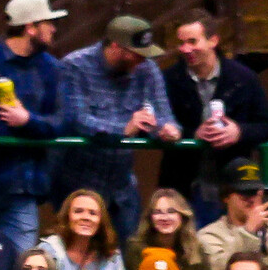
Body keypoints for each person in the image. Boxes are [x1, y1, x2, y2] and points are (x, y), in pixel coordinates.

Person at [55, 16, 181, 239]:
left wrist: (167, 129)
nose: (142, 60)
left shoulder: (147, 69)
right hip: (78, 180)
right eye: (136, 53)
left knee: (128, 250)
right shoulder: (75, 65)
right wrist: (123, 129)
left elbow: (163, 113)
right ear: (115, 46)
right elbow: (76, 119)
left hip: (121, 183)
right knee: (77, 249)